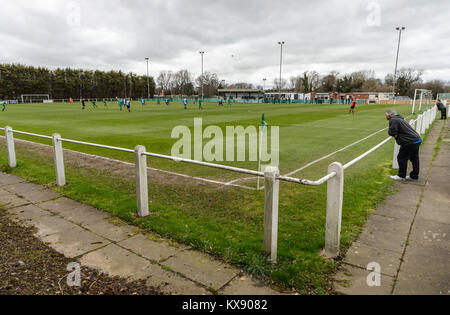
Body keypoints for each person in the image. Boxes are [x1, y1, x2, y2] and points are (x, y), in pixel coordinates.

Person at [386, 109, 422, 181]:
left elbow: (392, 132)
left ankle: (401, 176)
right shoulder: (399, 118)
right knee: (414, 159)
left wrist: (394, 134)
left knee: (401, 158)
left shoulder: (393, 120)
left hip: (409, 142)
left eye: (386, 115)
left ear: (389, 115)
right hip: (416, 139)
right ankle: (414, 176)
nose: (386, 116)